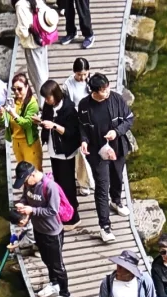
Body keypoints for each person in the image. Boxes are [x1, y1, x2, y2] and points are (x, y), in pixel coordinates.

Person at [77, 72, 133, 243]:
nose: (107, 91)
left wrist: (116, 132)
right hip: (97, 151)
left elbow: (129, 119)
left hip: (117, 148)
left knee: (117, 177)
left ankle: (116, 200)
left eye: (107, 87)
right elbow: (82, 127)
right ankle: (105, 226)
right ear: (94, 91)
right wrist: (84, 141)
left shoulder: (116, 98)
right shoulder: (85, 105)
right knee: (102, 186)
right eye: (103, 90)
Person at [12, 161, 71, 297]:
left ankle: (65, 294)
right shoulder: (28, 184)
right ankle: (54, 283)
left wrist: (31, 210)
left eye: (25, 180)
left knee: (58, 265)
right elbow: (26, 197)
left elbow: (52, 210)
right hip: (39, 230)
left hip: (53, 232)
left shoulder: (49, 187)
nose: (25, 184)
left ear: (32, 174)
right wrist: (21, 204)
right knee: (46, 259)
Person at [38, 80, 81, 227]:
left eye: (48, 97)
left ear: (55, 95)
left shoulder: (69, 109)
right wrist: (41, 122)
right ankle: (64, 210)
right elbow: (45, 119)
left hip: (65, 151)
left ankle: (73, 216)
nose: (46, 100)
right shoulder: (48, 106)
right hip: (53, 149)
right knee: (59, 182)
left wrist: (54, 126)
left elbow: (71, 133)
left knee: (67, 184)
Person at [63, 59, 94, 195]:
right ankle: (84, 182)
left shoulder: (91, 81)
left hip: (91, 121)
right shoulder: (68, 85)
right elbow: (66, 105)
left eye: (84, 74)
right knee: (81, 154)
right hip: (76, 121)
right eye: (79, 75)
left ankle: (92, 179)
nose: (82, 78)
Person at [0, 72, 43, 171]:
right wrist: (1, 115)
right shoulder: (13, 102)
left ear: (27, 87)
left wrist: (14, 114)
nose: (16, 92)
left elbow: (27, 123)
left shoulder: (32, 104)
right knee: (23, 174)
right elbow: (3, 121)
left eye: (19, 89)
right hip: (17, 143)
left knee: (34, 173)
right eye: (14, 89)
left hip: (30, 144)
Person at [13, 0, 54, 91]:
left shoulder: (20, 5)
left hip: (31, 45)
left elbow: (24, 33)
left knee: (37, 77)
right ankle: (46, 98)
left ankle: (43, 101)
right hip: (42, 40)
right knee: (43, 72)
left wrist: (16, 30)